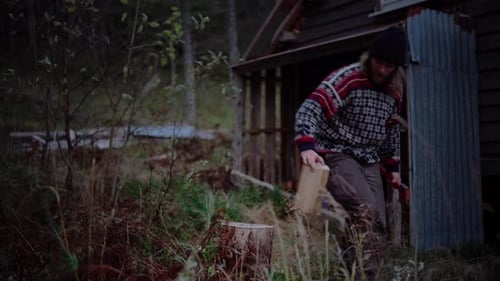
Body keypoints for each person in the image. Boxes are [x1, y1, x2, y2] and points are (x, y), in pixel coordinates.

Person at [294, 26, 408, 279]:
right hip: (337, 152)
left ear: (396, 68)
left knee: (378, 221)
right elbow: (309, 110)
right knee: (365, 211)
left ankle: (351, 271)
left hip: (369, 158)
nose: (381, 70)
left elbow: (390, 132)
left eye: (389, 66)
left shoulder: (394, 92)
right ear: (370, 57)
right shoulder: (347, 79)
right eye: (379, 62)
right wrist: (307, 147)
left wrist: (394, 169)